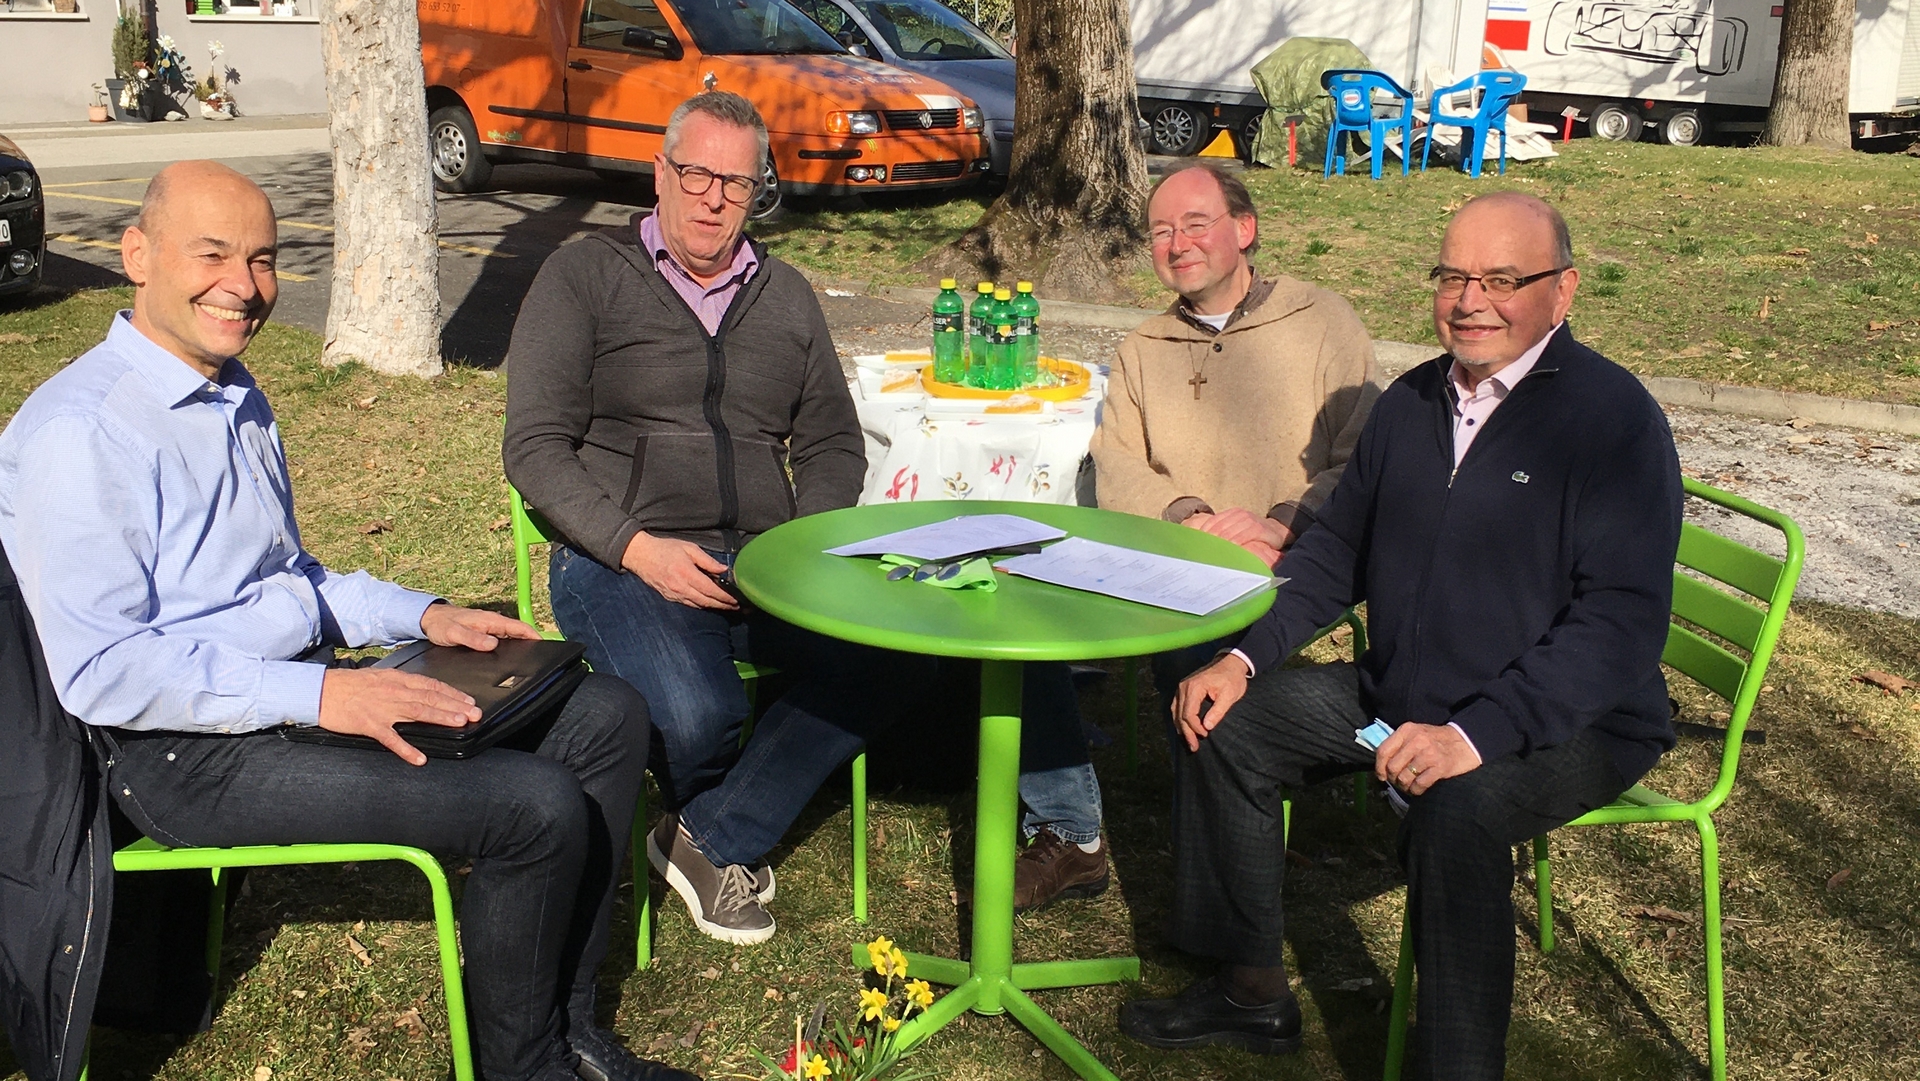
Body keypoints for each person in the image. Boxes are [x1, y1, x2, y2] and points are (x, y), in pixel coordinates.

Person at [0, 162, 693, 1081]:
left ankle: (569, 1032)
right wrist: (325, 692)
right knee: (531, 808)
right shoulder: (79, 432)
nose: (243, 286)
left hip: (291, 694)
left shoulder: (235, 390)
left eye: (263, 259)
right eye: (212, 254)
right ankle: (524, 1067)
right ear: (136, 255)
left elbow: (293, 578)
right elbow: (103, 670)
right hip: (177, 752)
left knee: (606, 714)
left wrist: (428, 613)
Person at [1118, 192, 1683, 1080]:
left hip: (1573, 719)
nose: (1471, 299)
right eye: (1453, 275)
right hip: (1405, 690)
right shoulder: (1413, 402)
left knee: (1457, 815)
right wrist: (1239, 656)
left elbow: (1618, 626)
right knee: (1220, 717)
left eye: (1503, 279)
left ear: (1563, 290)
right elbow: (1336, 549)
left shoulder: (1612, 422)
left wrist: (1472, 736)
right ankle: (1251, 986)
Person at [503, 91, 932, 946]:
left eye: (735, 183)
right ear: (661, 173)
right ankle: (732, 806)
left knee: (899, 653)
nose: (712, 198)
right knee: (700, 718)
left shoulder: (787, 296)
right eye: (696, 173)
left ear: (756, 192)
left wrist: (798, 546)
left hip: (765, 560)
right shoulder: (584, 275)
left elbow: (833, 444)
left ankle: (707, 833)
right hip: (621, 557)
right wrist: (636, 549)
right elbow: (536, 448)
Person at [1005, 163, 1382, 913]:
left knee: (1196, 656)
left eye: (1196, 223)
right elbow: (1116, 461)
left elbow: (1366, 457)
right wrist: (1191, 517)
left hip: (1290, 560)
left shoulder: (1323, 320)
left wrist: (1285, 522)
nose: (1176, 243)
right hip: (1169, 551)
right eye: (1160, 230)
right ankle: (1070, 826)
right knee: (1026, 613)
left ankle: (1212, 903)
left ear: (1244, 230)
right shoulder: (1145, 343)